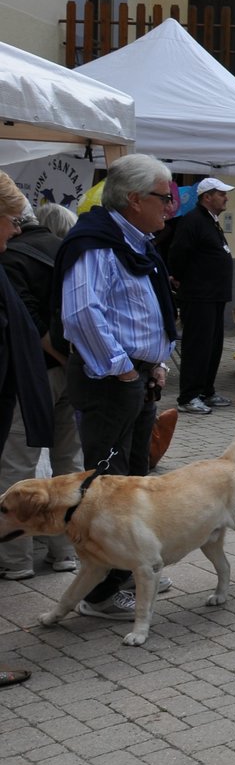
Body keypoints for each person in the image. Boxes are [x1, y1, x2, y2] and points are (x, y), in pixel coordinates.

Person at [56, 154, 177, 618]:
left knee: (133, 480)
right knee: (107, 488)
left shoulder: (133, 242)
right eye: (164, 198)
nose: (169, 207)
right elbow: (82, 314)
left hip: (134, 378)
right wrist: (124, 368)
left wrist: (154, 363)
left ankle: (129, 570)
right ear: (134, 199)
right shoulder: (97, 243)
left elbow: (141, 313)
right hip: (110, 382)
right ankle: (100, 593)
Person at [0, 198, 81, 580]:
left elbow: (28, 324)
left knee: (17, 465)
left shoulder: (9, 256)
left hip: (31, 376)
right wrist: (72, 362)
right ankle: (66, 550)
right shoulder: (66, 248)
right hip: (73, 371)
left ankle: (15, 560)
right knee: (70, 466)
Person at [166, 177, 235, 415]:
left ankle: (206, 390)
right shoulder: (193, 221)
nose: (226, 197)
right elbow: (178, 253)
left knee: (213, 346)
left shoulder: (211, 221)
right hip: (198, 296)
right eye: (221, 193)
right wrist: (180, 276)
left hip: (214, 296)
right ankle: (188, 396)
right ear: (207, 197)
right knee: (197, 347)